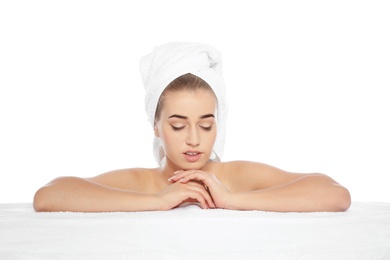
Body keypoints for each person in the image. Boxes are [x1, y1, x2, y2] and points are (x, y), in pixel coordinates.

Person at [33, 42, 351, 213]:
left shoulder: (234, 177)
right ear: (156, 126)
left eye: (206, 124)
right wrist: (158, 201)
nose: (194, 139)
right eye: (177, 125)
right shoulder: (143, 183)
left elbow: (335, 195)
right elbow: (49, 196)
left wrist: (230, 200)